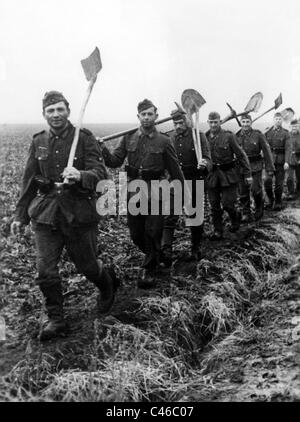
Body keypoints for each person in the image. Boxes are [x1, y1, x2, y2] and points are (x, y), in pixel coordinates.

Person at [11, 91, 118, 341]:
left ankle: (107, 283)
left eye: (60, 109)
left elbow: (100, 173)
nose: (56, 115)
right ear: (44, 114)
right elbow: (28, 181)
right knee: (45, 271)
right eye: (51, 111)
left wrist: (81, 175)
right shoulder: (39, 141)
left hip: (78, 213)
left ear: (68, 111)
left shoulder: (84, 138)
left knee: (88, 266)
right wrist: (19, 216)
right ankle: (56, 318)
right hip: (46, 215)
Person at [99, 99, 186, 288]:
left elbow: (175, 170)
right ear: (138, 116)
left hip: (156, 189)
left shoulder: (164, 140)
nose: (146, 117)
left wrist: (182, 194)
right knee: (136, 234)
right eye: (143, 114)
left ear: (156, 115)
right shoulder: (128, 137)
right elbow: (115, 161)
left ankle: (149, 269)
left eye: (150, 114)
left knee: (153, 232)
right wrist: (103, 149)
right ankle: (159, 255)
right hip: (133, 189)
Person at [160, 109, 212, 265]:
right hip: (175, 181)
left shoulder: (198, 136)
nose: (177, 126)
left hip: (194, 180)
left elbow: (208, 159)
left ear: (187, 121)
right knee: (169, 216)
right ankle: (166, 251)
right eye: (175, 123)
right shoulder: (170, 138)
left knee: (194, 216)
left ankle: (196, 248)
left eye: (180, 122)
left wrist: (204, 164)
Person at [206, 112, 252, 240]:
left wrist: (248, 174)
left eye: (216, 122)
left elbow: (241, 155)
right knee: (214, 205)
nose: (213, 124)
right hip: (212, 175)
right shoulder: (204, 137)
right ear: (208, 122)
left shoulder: (229, 136)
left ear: (220, 122)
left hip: (228, 175)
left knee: (227, 204)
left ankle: (235, 216)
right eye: (211, 122)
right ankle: (217, 230)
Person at [236, 114, 275, 222]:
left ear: (251, 122)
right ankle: (246, 213)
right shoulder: (236, 136)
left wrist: (269, 168)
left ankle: (259, 207)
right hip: (241, 168)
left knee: (255, 190)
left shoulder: (258, 135)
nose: (245, 124)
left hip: (255, 166)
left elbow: (267, 152)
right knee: (243, 192)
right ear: (240, 123)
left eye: (247, 122)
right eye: (243, 122)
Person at [264, 112, 291, 210]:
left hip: (280, 161)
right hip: (269, 161)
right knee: (267, 181)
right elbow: (263, 146)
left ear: (282, 121)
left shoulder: (286, 133)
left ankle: (278, 201)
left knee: (279, 184)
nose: (278, 121)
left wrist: (287, 161)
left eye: (280, 119)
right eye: (276, 119)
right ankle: (270, 200)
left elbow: (288, 148)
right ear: (273, 120)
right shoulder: (267, 132)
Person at [286, 119, 300, 200]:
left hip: (299, 159)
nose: (294, 128)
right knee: (289, 177)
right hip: (290, 159)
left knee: (299, 177)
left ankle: (298, 192)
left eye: (296, 126)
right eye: (292, 126)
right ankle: (290, 192)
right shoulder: (287, 135)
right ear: (290, 127)